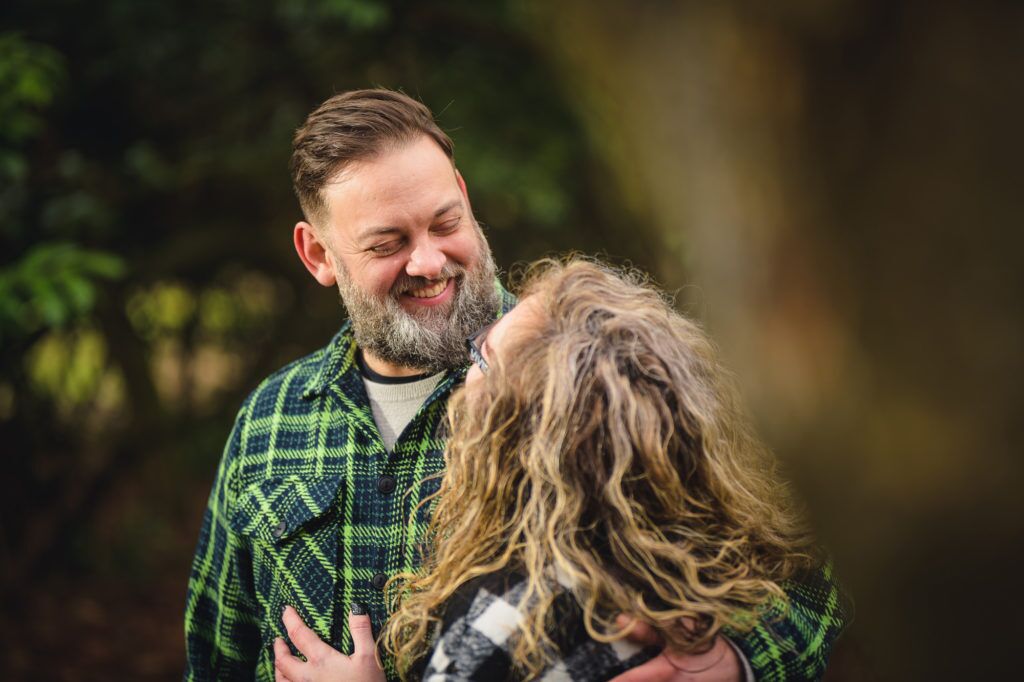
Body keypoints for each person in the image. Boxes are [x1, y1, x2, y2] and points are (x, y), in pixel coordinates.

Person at [183, 89, 845, 681]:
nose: (430, 261)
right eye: (388, 244)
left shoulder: (599, 371)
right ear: (319, 256)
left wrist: (736, 663)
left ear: (466, 197)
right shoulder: (270, 421)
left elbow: (811, 571)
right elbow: (219, 655)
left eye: (444, 222)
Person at [270, 259, 844, 682]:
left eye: (482, 356)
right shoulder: (715, 557)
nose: (425, 261)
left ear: (515, 437)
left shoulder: (501, 627)